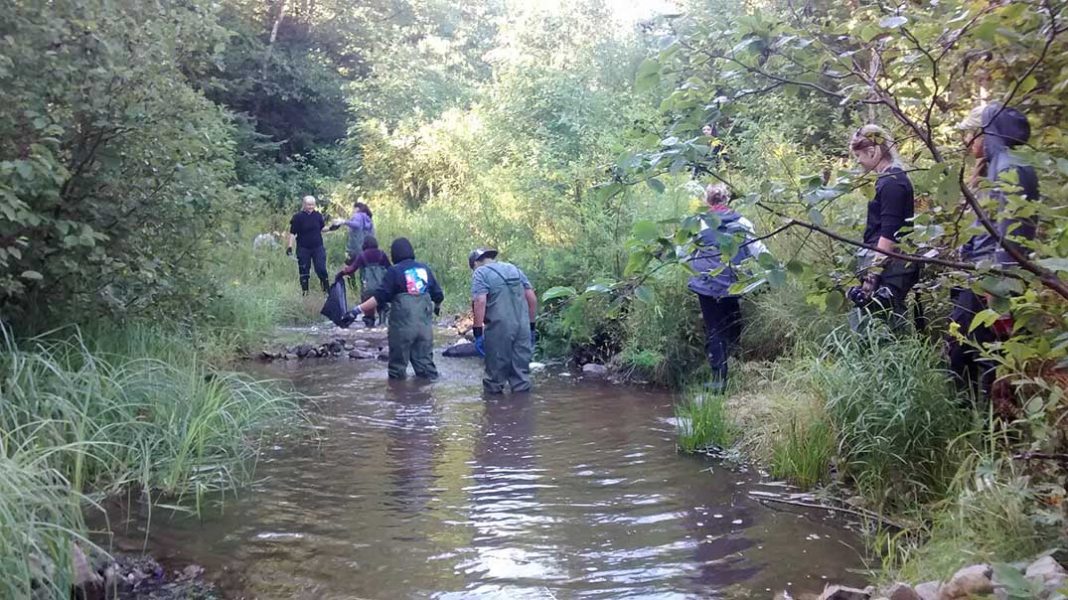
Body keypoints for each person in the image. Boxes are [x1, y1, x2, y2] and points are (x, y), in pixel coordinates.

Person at [948, 103, 1039, 401]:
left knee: (991, 355)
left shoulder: (1011, 168)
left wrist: (998, 289)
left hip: (993, 281)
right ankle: (966, 413)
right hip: (977, 276)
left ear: (986, 133)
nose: (967, 141)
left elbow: (1013, 237)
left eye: (971, 134)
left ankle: (996, 422)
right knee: (962, 348)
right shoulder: (992, 168)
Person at [686, 183, 766, 393]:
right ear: (727, 200)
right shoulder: (742, 222)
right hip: (733, 282)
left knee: (714, 329)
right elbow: (758, 250)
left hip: (706, 284)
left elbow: (685, 252)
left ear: (707, 201)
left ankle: (719, 379)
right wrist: (774, 269)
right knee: (732, 323)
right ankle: (734, 363)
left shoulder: (699, 223)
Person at [846, 125, 920, 332]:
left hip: (890, 264)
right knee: (877, 321)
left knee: (884, 323)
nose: (858, 161)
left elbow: (889, 234)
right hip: (886, 261)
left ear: (872, 151)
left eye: (859, 155)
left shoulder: (892, 183)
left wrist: (872, 278)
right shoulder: (887, 180)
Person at [343, 238, 444, 380]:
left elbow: (379, 298)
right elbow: (439, 296)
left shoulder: (394, 271)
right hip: (424, 329)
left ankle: (398, 393)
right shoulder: (424, 269)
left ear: (394, 254)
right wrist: (437, 307)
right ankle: (427, 393)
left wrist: (356, 311)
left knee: (397, 371)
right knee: (426, 370)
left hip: (402, 329)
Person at [468, 248, 538, 394]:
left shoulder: (480, 273)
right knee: (521, 377)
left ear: (475, 263)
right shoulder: (514, 269)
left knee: (494, 379)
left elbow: (480, 301)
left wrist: (478, 332)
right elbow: (531, 298)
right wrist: (531, 326)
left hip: (499, 329)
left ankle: (494, 406)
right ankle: (522, 405)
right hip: (522, 328)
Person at [286, 195, 339, 295]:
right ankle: (305, 293)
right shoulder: (298, 217)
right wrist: (289, 246)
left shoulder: (317, 215)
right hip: (303, 248)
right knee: (304, 271)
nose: (311, 207)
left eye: (312, 205)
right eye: (308, 205)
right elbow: (292, 233)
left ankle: (326, 292)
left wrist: (331, 228)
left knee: (321, 269)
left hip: (317, 247)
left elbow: (322, 228)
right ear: (304, 205)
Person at [335, 235, 392, 328]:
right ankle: (382, 324)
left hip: (367, 289)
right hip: (381, 288)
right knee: (382, 307)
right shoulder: (382, 254)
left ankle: (369, 326)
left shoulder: (362, 255)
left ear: (364, 244)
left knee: (368, 313)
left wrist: (341, 273)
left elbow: (351, 269)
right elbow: (390, 269)